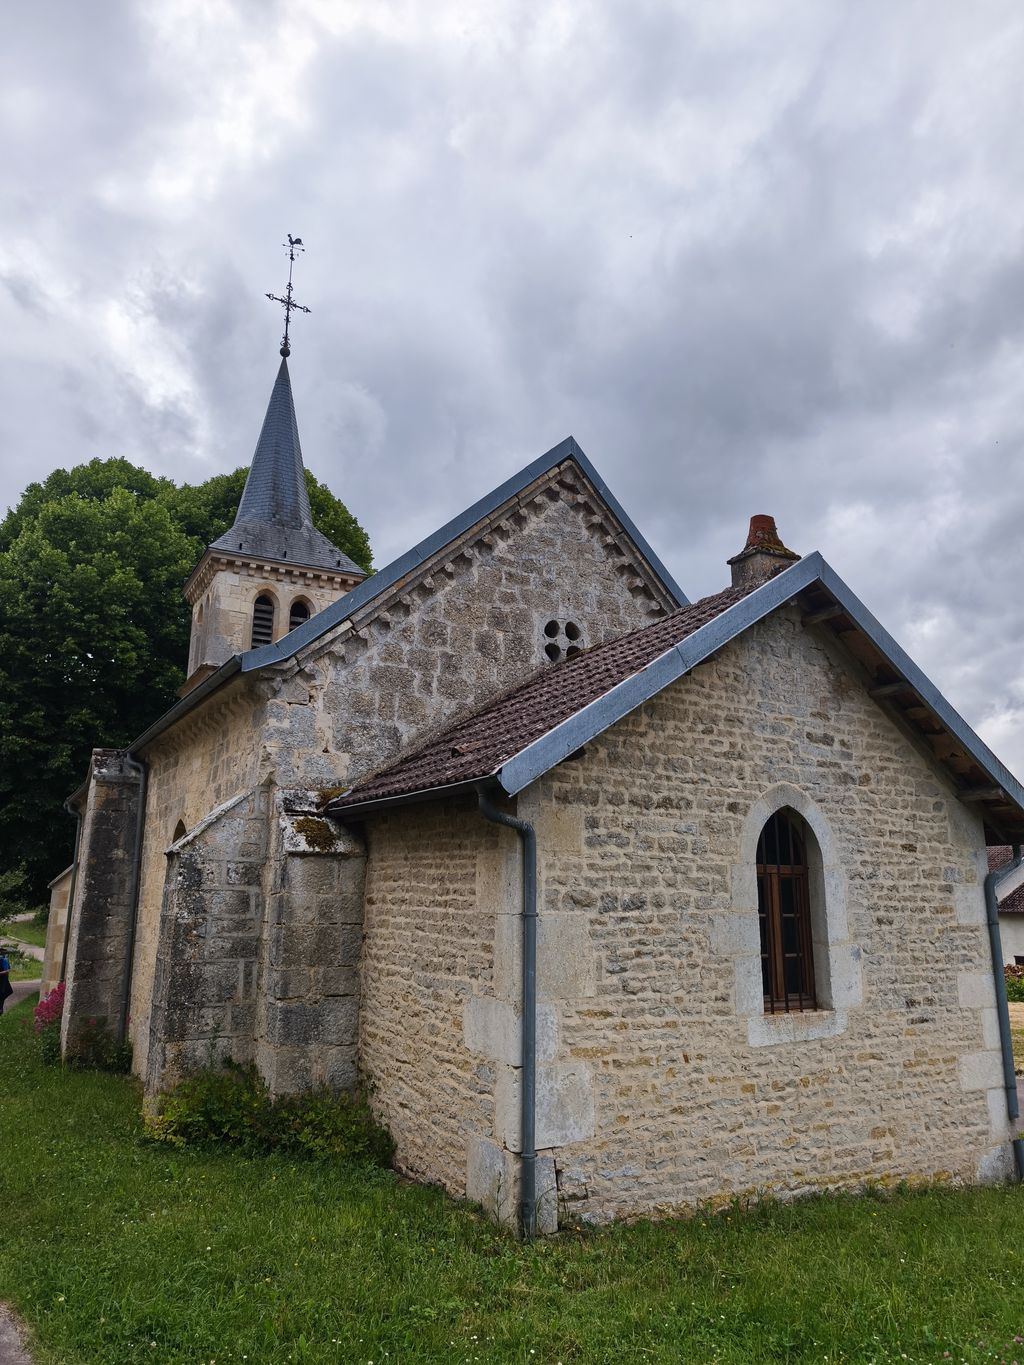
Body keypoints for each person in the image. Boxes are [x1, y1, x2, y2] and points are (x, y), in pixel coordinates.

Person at [0, 949, 12, 1014]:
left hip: (3, 980)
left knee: (3, 993)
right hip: (3, 980)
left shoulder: (4, 960)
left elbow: (7, 971)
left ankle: (1, 1008)